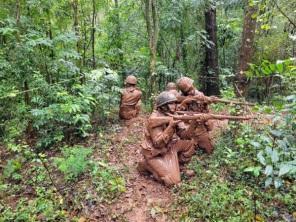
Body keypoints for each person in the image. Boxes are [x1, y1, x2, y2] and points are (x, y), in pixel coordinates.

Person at [138, 92, 195, 186]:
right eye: (171, 103)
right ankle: (145, 165)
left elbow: (184, 135)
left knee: (189, 144)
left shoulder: (172, 114)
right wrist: (171, 126)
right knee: (173, 181)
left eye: (175, 103)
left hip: (168, 147)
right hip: (155, 153)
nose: (174, 106)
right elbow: (158, 144)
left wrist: (194, 123)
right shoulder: (154, 119)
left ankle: (179, 167)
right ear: (163, 106)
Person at [176, 77, 215, 154]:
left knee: (209, 150)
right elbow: (176, 113)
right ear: (183, 92)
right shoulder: (178, 97)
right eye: (188, 90)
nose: (191, 91)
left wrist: (208, 101)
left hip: (200, 126)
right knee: (188, 151)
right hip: (187, 127)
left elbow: (205, 110)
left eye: (191, 88)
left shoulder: (200, 94)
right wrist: (184, 102)